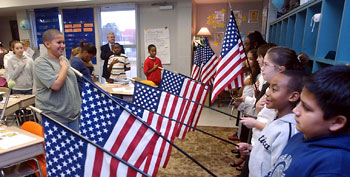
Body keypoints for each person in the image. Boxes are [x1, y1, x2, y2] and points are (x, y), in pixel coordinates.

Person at [266, 65, 350, 177]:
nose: (296, 110)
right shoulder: (302, 136)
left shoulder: (334, 167)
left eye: (306, 108)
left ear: (336, 122)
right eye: (300, 102)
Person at [238, 70, 305, 177]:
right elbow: (269, 151)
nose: (267, 93)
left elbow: (279, 168)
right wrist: (253, 149)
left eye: (274, 89)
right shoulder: (276, 119)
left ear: (293, 96)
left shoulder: (287, 130)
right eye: (269, 88)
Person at [34, 29, 81, 132]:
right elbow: (56, 85)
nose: (62, 46)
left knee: (75, 147)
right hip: (55, 117)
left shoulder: (63, 59)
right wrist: (64, 68)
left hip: (72, 116)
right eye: (59, 42)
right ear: (47, 44)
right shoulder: (41, 62)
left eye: (63, 42)